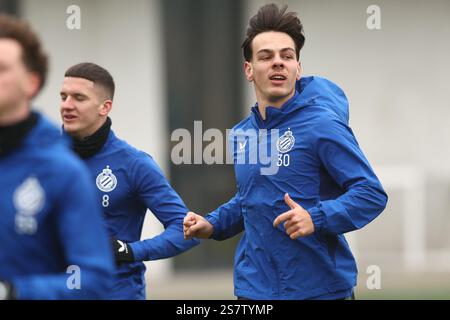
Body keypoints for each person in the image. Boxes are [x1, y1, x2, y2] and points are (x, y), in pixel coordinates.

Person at [183, 4, 388, 300]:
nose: (278, 63)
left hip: (320, 291)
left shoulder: (323, 125)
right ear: (249, 70)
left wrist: (316, 218)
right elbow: (250, 199)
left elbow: (370, 193)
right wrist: (213, 223)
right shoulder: (243, 134)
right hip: (255, 291)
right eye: (266, 57)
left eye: (287, 56)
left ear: (298, 68)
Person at [59, 62, 199, 300]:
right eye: (63, 96)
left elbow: (187, 230)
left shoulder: (134, 164)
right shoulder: (43, 158)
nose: (67, 105)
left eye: (79, 98)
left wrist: (130, 251)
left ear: (105, 107)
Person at [0, 15, 114, 300]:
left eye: (1, 69)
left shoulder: (62, 170)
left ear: (31, 83)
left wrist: (13, 292)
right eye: (64, 97)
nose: (68, 106)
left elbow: (94, 280)